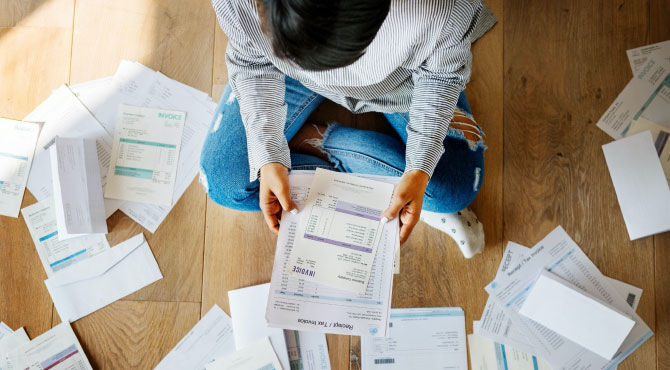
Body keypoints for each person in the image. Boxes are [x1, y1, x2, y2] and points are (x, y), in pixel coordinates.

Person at [200, 0, 492, 257]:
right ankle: (389, 187)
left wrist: (419, 169)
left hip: (400, 82)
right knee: (225, 182)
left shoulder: (439, 10)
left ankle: (311, 139)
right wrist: (267, 152)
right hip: (286, 76)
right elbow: (252, 61)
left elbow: (441, 77)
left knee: (454, 189)